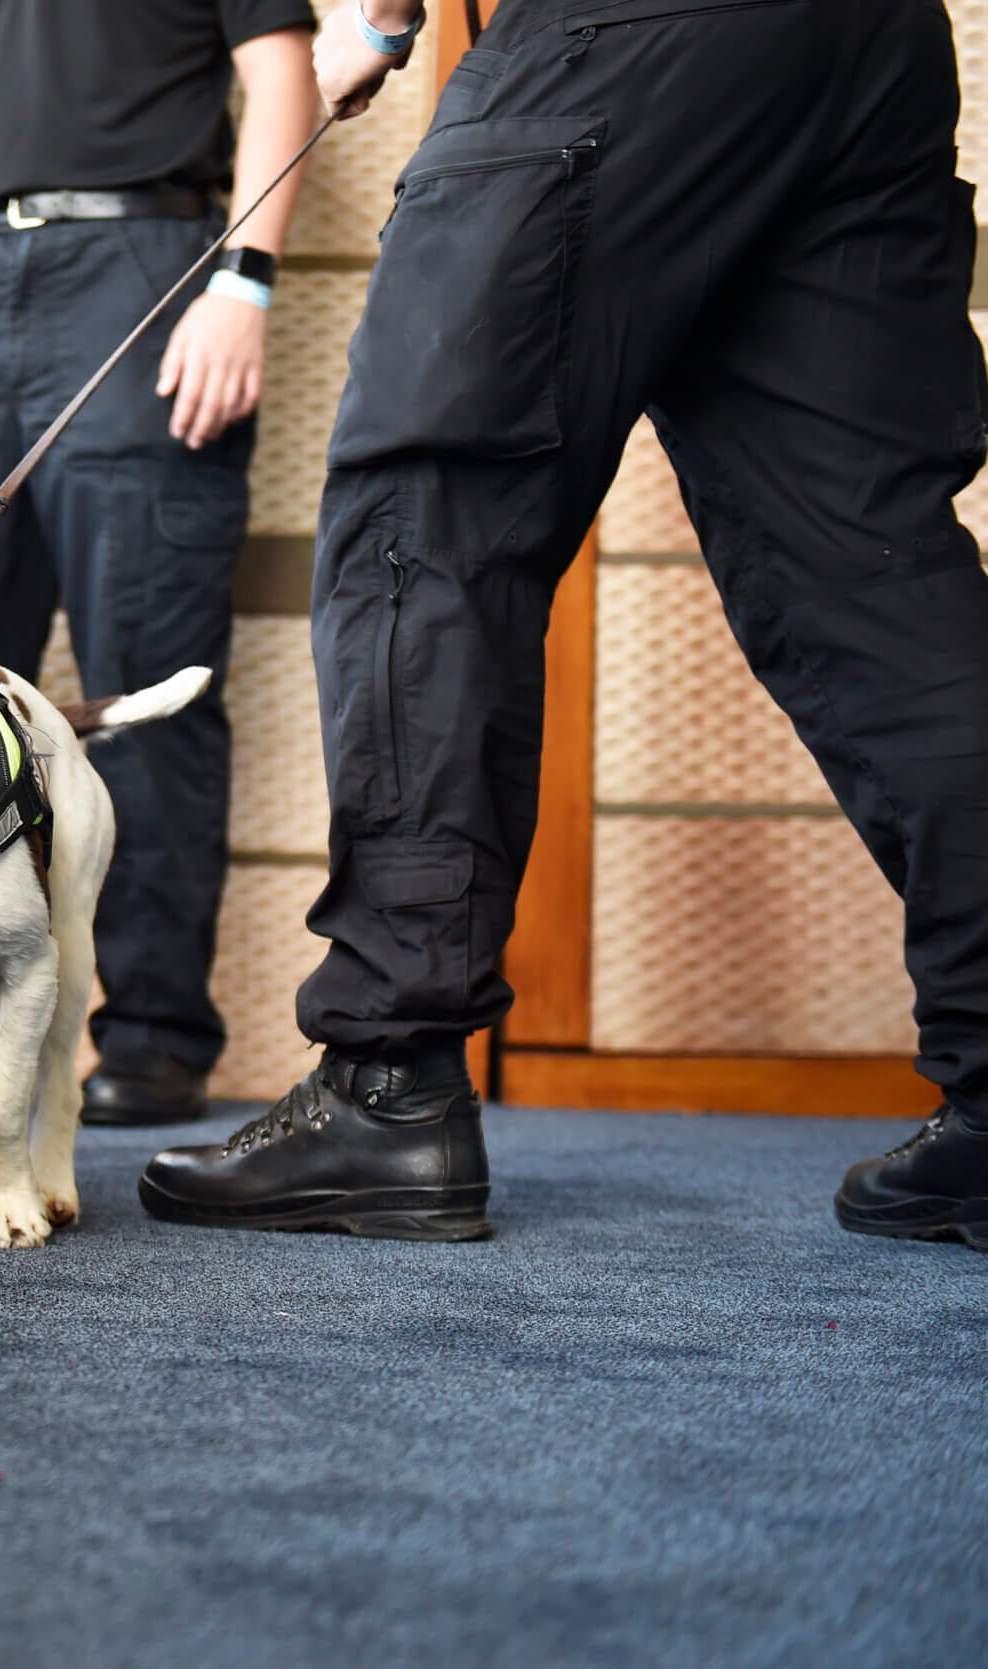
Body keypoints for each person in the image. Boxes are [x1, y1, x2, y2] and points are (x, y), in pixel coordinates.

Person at [140, 0, 988, 1251]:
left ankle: (387, 1085)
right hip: (871, 44)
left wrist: (378, 16)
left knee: (421, 520)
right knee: (867, 569)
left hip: (625, 31)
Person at [0, 0, 325, 1124]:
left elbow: (284, 74)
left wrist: (242, 283)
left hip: (144, 266)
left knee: (147, 676)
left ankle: (150, 1032)